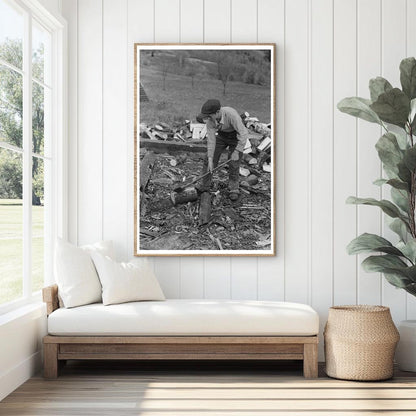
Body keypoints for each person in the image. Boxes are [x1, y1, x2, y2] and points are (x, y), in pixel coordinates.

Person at [196, 99, 249, 201]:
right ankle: (204, 185)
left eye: (209, 115)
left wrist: (237, 151)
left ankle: (233, 188)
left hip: (235, 136)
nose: (207, 118)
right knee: (208, 161)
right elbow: (211, 140)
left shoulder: (231, 115)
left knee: (234, 162)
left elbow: (243, 133)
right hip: (222, 136)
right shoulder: (210, 120)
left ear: (217, 112)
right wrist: (211, 159)